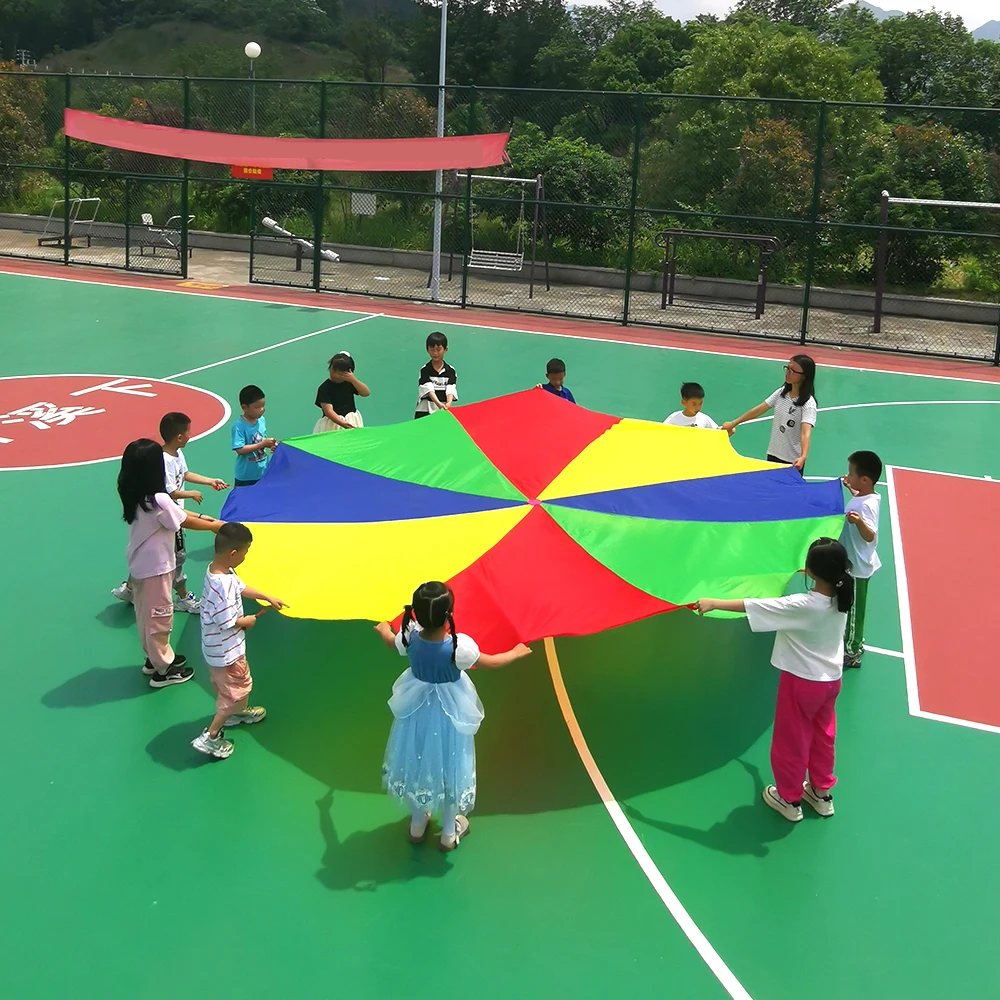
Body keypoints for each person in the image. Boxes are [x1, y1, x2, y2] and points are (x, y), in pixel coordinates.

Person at [695, 537, 854, 823]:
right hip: (831, 681)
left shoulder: (804, 605)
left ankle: (789, 798)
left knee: (791, 739)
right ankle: (820, 793)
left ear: (809, 571)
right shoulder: (842, 597)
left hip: (802, 683)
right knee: (823, 736)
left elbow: (756, 606)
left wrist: (713, 602)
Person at [374, 582, 531, 851]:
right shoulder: (460, 648)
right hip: (449, 714)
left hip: (416, 710)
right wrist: (516, 652)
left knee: (417, 760)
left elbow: (391, 642)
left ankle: (417, 823)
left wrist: (384, 629)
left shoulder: (408, 637)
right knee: (449, 768)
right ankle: (449, 833)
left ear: (415, 613)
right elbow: (492, 662)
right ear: (449, 616)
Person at [117, 438, 223, 688]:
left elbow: (179, 515)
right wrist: (215, 526)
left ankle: (154, 659)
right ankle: (163, 670)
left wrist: (203, 517)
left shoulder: (134, 494)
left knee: (145, 614)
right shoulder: (159, 499)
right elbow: (182, 520)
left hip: (140, 565)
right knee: (160, 616)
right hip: (157, 568)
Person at [110, 412, 229, 610]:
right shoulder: (160, 499)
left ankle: (130, 589)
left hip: (147, 548)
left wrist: (207, 490)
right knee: (178, 558)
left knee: (145, 557)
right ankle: (183, 597)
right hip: (163, 544)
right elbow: (179, 516)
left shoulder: (139, 496)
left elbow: (179, 495)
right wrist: (214, 525)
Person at [192, 522, 287, 760]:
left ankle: (236, 713)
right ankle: (211, 736)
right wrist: (247, 621)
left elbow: (241, 587)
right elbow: (228, 621)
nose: (246, 556)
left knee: (227, 689)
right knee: (237, 691)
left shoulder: (218, 571)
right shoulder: (222, 586)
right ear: (233, 553)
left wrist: (265, 596)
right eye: (246, 552)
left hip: (215, 650)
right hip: (227, 653)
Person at [722, 355, 818, 472]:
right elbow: (759, 410)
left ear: (804, 376)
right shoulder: (781, 393)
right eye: (787, 368)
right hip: (773, 454)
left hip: (792, 461)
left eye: (793, 371)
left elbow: (805, 433)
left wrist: (803, 457)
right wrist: (734, 423)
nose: (788, 372)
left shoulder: (808, 404)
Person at [840, 450, 883, 669]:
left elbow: (870, 535)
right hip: (851, 563)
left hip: (857, 568)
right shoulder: (866, 496)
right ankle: (851, 642)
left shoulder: (866, 506)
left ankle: (853, 651)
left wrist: (858, 523)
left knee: (855, 612)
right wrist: (851, 489)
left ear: (865, 479)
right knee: (848, 607)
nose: (848, 476)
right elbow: (859, 496)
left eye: (851, 474)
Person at [313, 351, 370, 433]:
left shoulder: (350, 383)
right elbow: (328, 411)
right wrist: (343, 424)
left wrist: (354, 380)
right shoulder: (324, 388)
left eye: (340, 373)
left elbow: (366, 393)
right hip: (333, 424)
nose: (335, 375)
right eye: (333, 370)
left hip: (351, 420)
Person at [232, 384, 276, 487]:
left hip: (263, 472)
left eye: (263, 406)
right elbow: (240, 449)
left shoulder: (261, 420)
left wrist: (270, 444)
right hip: (246, 476)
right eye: (257, 407)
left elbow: (260, 439)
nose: (261, 409)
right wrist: (262, 444)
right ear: (244, 407)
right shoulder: (239, 426)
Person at [414, 332, 458, 419]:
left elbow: (450, 389)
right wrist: (438, 404)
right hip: (424, 411)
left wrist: (448, 403)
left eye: (438, 349)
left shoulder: (451, 371)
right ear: (427, 350)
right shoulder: (425, 370)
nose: (435, 353)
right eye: (432, 349)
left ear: (445, 349)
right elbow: (428, 389)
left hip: (442, 410)